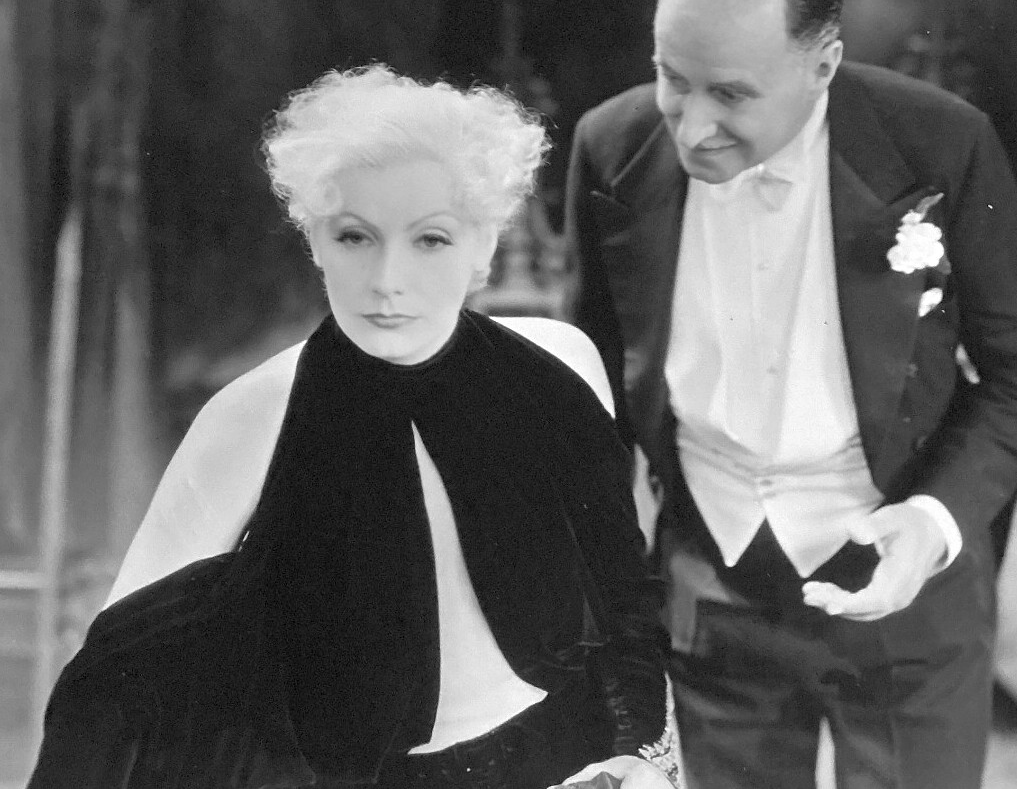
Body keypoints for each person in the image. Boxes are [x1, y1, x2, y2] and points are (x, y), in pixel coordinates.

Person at [28, 66, 678, 789]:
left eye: (430, 240)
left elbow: (623, 594)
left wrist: (643, 756)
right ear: (315, 239)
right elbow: (109, 686)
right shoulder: (252, 415)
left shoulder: (561, 363)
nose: (387, 280)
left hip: (567, 765)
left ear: (484, 244)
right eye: (355, 237)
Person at [565, 0, 1017, 789]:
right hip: (708, 593)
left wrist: (933, 522)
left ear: (824, 66)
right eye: (671, 79)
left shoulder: (940, 143)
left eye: (732, 95)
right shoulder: (609, 146)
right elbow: (595, 390)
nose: (692, 128)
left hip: (904, 594)